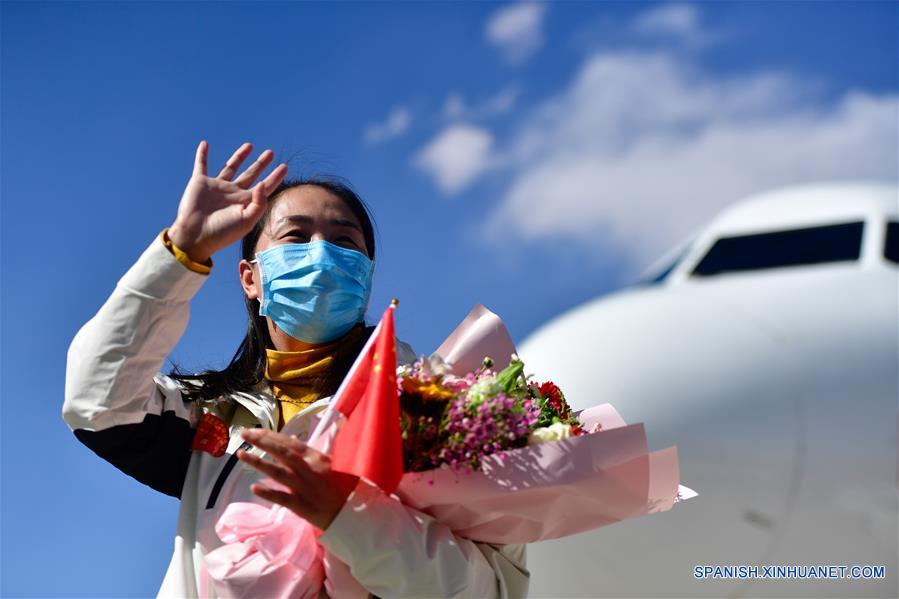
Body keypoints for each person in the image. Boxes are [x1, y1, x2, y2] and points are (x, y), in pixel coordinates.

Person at [62, 140, 530, 598]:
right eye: (296, 237)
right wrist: (180, 252)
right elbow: (96, 399)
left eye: (344, 241)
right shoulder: (208, 418)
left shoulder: (444, 411)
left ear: (365, 274)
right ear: (251, 278)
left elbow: (492, 589)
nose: (322, 254)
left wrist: (352, 518)